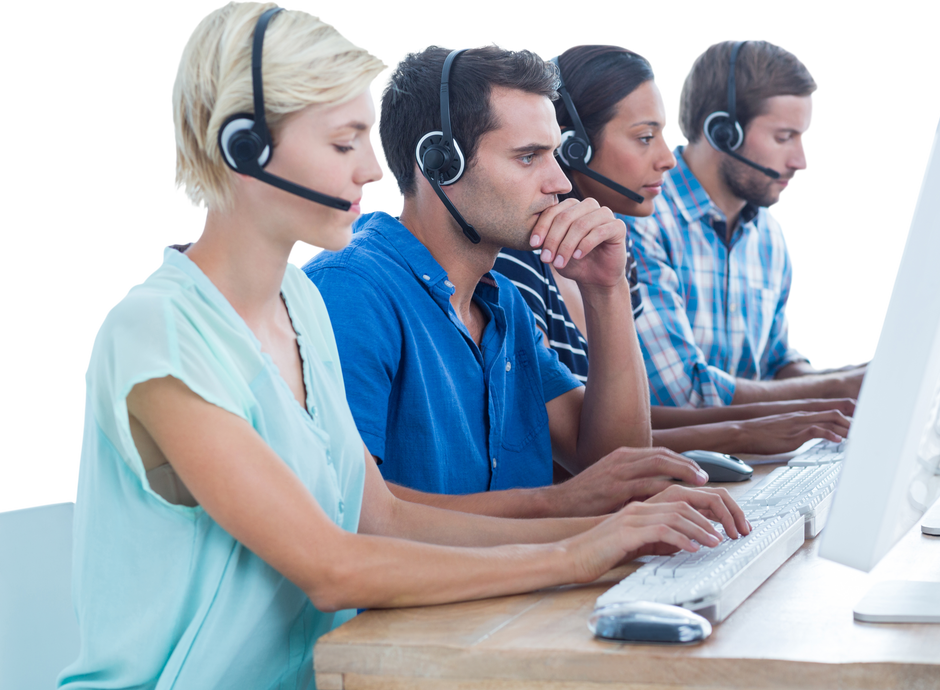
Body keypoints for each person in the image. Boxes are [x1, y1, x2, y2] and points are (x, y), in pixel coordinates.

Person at [62, 6, 748, 688]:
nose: (369, 169)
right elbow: (332, 566)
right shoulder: (160, 331)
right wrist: (579, 549)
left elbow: (382, 516)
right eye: (343, 143)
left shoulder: (295, 305)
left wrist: (616, 536)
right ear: (244, 148)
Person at [303, 42, 720, 518]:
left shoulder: (503, 307)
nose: (561, 182)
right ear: (441, 163)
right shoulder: (350, 290)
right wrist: (556, 506)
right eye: (528, 157)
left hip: (532, 593)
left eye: (555, 155)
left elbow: (614, 473)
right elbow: (346, 510)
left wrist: (606, 291)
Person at [494, 42, 854, 457]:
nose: (667, 158)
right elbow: (592, 448)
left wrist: (802, 412)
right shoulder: (518, 269)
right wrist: (744, 432)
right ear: (572, 148)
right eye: (645, 138)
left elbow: (631, 423)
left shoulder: (608, 260)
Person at [624, 37, 866, 409]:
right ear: (723, 131)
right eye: (784, 137)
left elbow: (774, 365)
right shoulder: (643, 218)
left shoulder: (768, 235)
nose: (801, 161)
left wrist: (863, 377)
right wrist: (835, 389)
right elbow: (682, 395)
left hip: (753, 460)